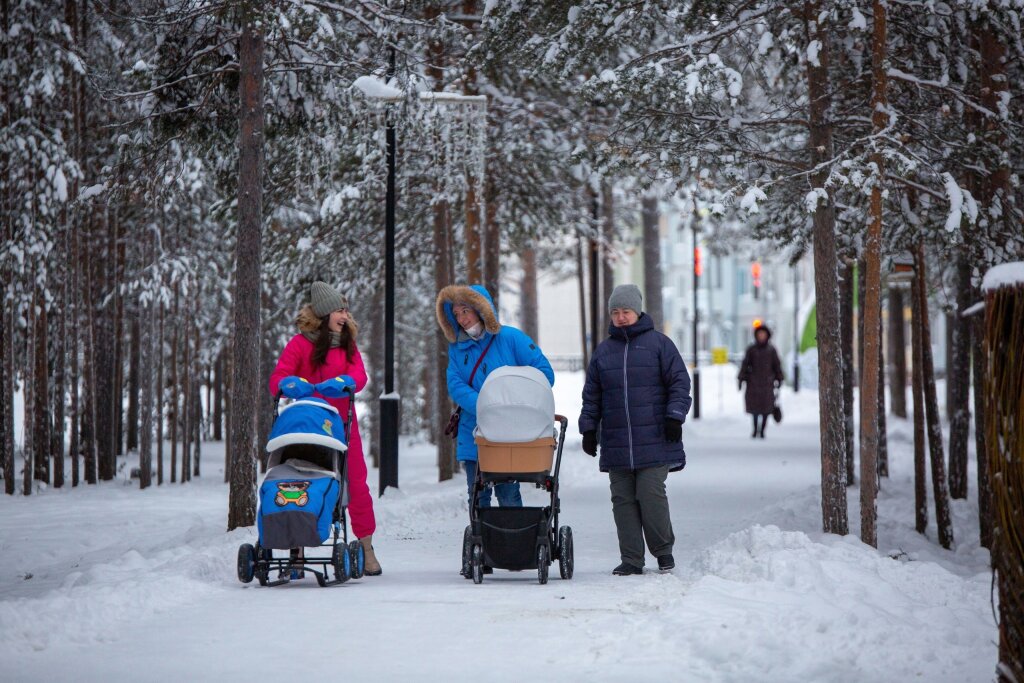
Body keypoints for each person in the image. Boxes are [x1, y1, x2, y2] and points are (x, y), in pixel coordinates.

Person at [268, 281, 381, 575]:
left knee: (356, 484)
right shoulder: (299, 344)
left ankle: (366, 547)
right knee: (299, 480)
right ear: (323, 314)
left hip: (342, 425)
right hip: (306, 424)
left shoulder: (347, 344)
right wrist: (286, 383)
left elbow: (359, 373)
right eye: (339, 310)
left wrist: (348, 382)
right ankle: (296, 550)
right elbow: (278, 376)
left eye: (346, 310)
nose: (345, 316)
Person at [580, 284, 691, 576]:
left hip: (655, 438)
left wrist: (675, 417)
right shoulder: (604, 353)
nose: (620, 317)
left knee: (650, 493)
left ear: (637, 311)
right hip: (617, 441)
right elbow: (592, 396)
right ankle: (631, 559)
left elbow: (680, 382)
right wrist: (589, 429)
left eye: (625, 311)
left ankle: (663, 553)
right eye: (615, 312)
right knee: (623, 500)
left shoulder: (659, 345)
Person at [435, 284, 554, 508]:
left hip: (508, 431)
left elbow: (543, 374)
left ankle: (512, 540)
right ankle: (483, 541)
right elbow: (456, 384)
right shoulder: (457, 349)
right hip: (474, 429)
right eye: (456, 314)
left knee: (508, 494)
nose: (461, 319)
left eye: (465, 311)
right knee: (477, 495)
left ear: (480, 309)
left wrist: (511, 402)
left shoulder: (510, 338)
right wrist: (485, 405)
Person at [738, 323, 784, 439]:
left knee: (766, 409)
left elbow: (777, 366)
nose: (761, 336)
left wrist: (779, 378)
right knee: (754, 409)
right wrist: (741, 378)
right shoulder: (751, 350)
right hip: (753, 384)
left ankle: (762, 430)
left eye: (763, 334)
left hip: (767, 384)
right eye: (760, 334)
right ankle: (754, 429)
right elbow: (745, 365)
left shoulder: (771, 350)